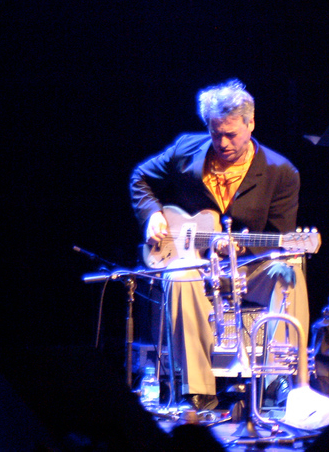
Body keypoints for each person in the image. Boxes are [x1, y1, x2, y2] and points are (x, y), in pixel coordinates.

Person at [130, 79, 309, 411]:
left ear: (250, 123)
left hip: (249, 267)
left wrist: (241, 250)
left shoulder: (280, 172)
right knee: (179, 275)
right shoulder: (186, 151)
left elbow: (281, 239)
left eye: (232, 134)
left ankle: (278, 382)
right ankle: (198, 391)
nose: (223, 142)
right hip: (197, 266)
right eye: (216, 134)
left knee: (290, 268)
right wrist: (152, 214)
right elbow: (140, 177)